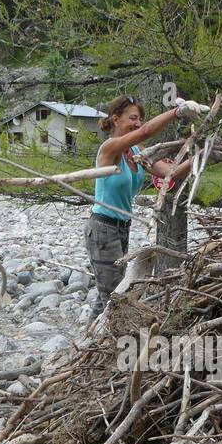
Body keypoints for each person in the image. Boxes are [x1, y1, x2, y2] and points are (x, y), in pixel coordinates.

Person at [85, 94, 207, 314]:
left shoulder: (136, 153)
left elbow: (172, 173)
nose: (138, 123)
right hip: (102, 228)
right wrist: (177, 112)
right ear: (115, 119)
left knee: (113, 292)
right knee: (112, 295)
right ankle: (92, 344)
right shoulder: (109, 148)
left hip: (122, 227)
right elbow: (145, 132)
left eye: (140, 118)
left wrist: (200, 154)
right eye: (133, 117)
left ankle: (95, 340)